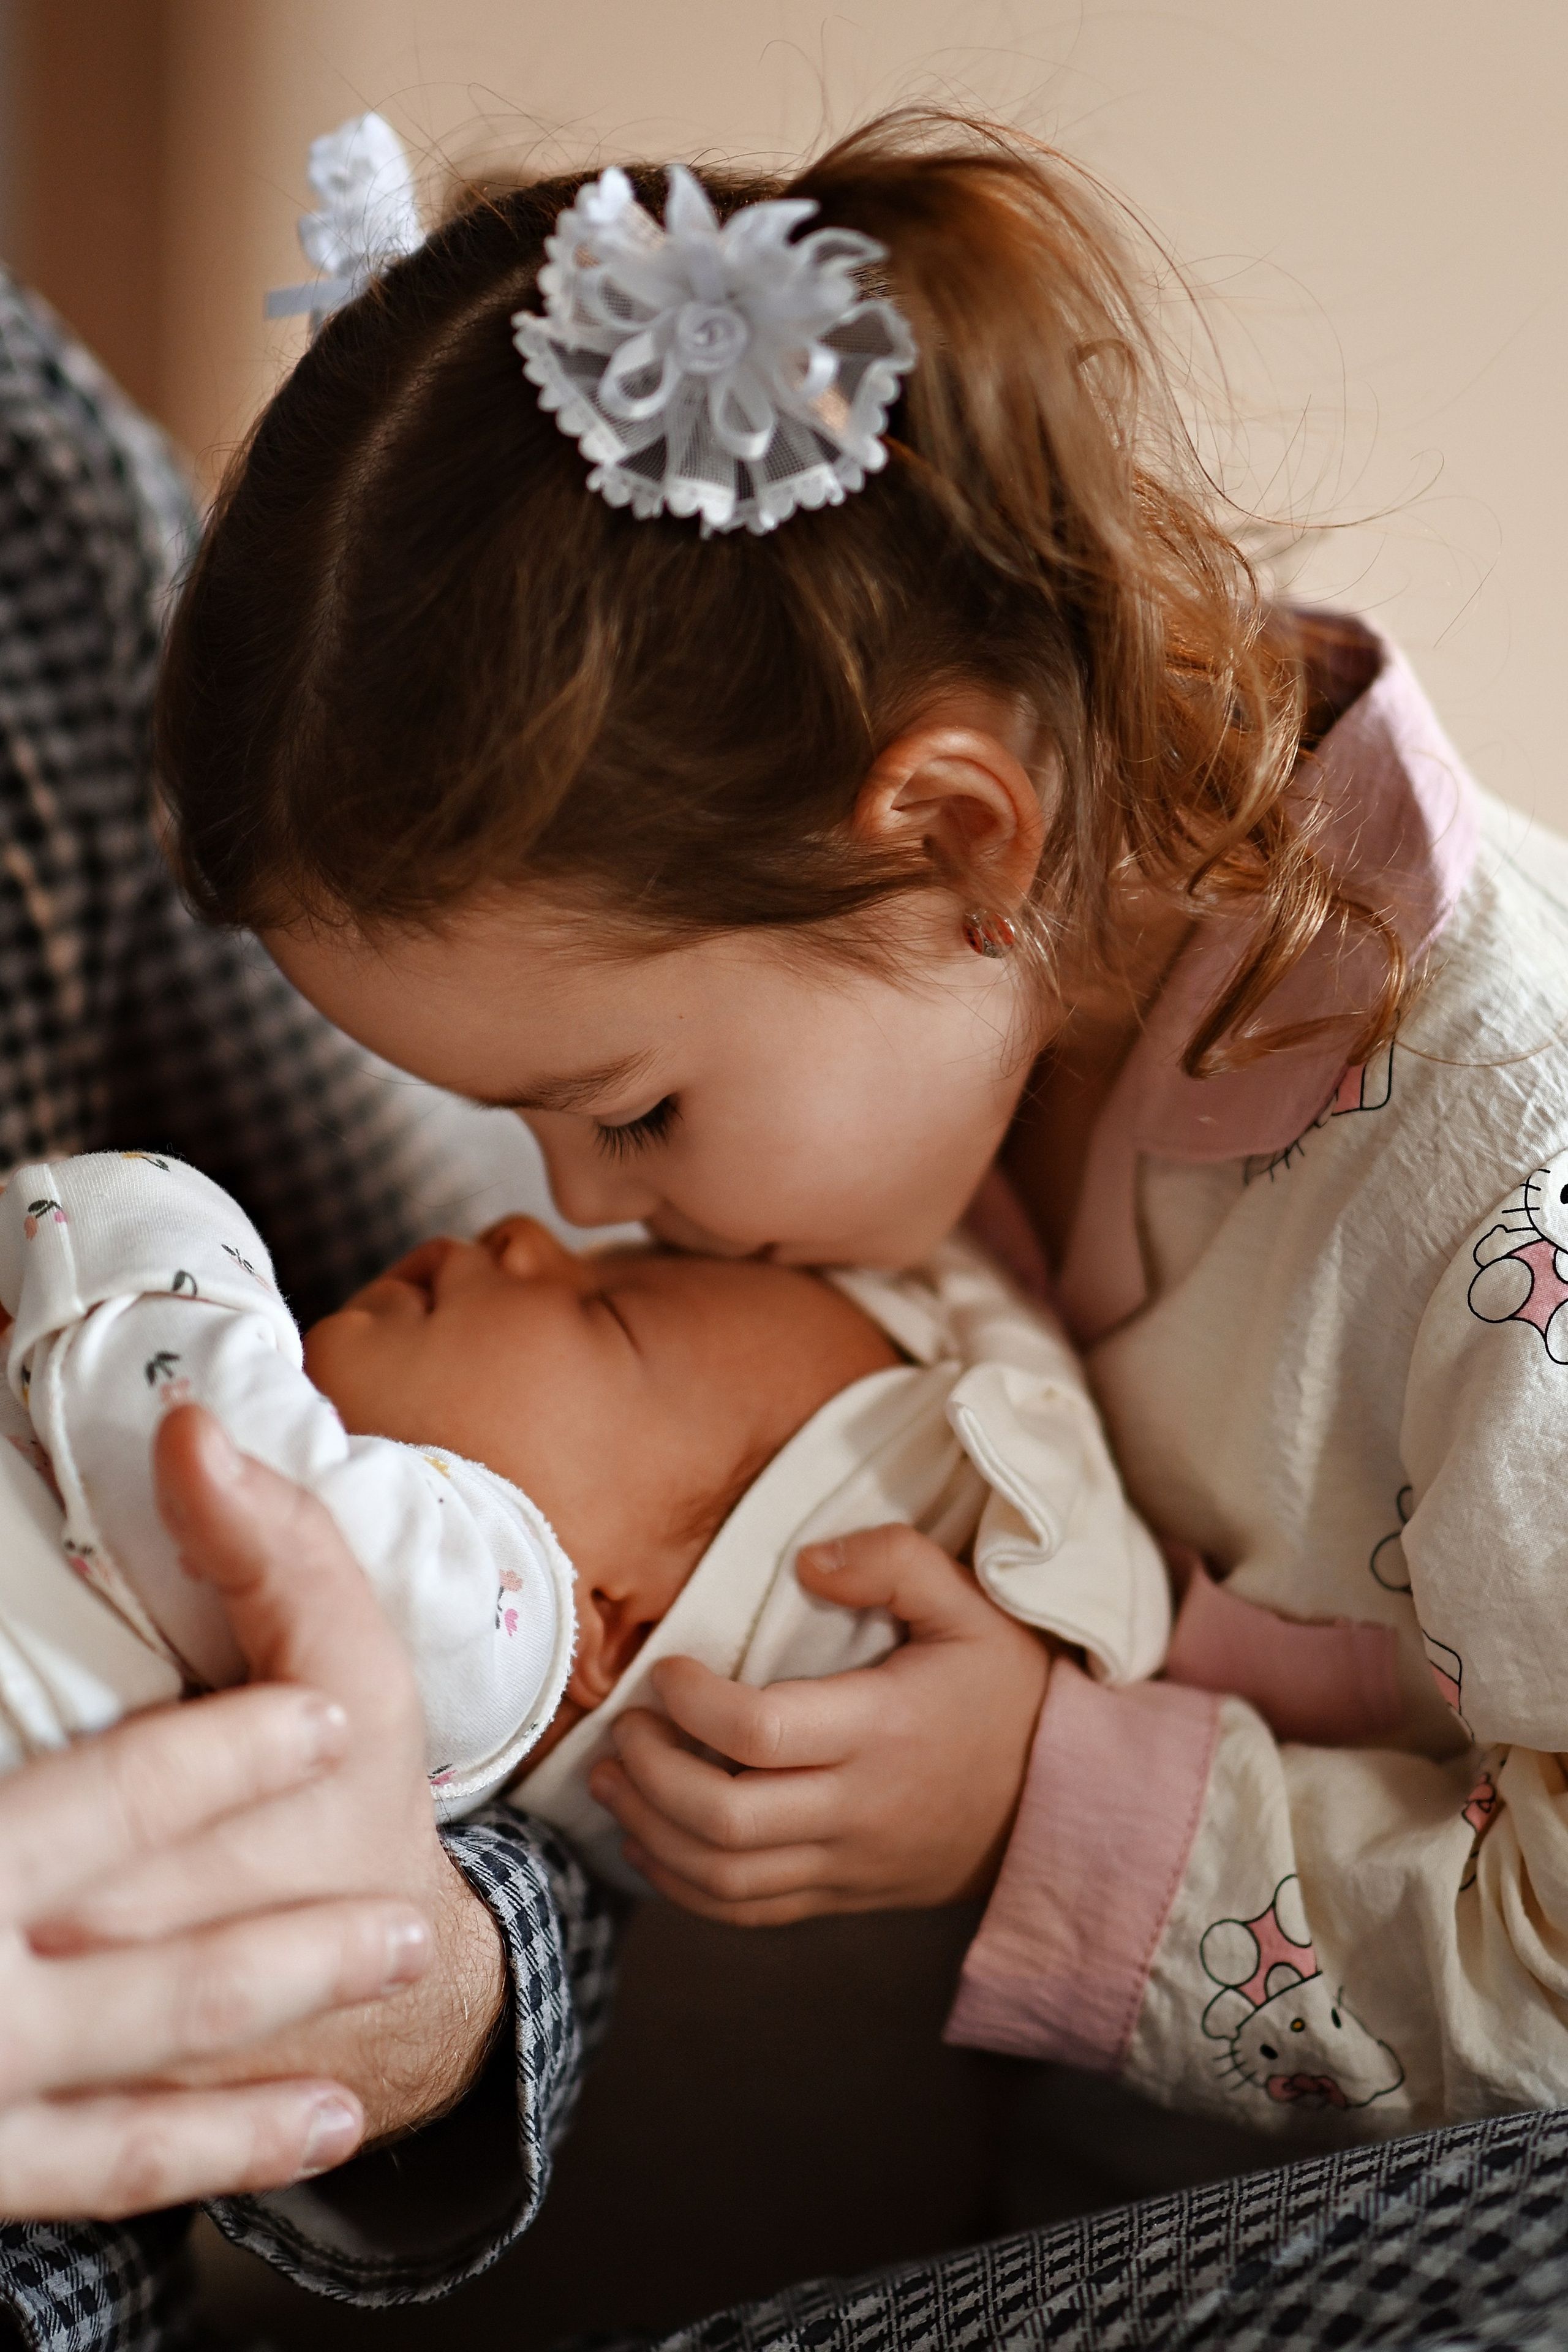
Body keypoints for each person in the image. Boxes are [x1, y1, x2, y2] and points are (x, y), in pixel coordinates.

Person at [153, 105, 1568, 2155]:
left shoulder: (1499, 1178)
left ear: (956, 837)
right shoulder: (962, 1016)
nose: (575, 1204)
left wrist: (1035, 1798)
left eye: (629, 1107)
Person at [0, 269, 617, 2345]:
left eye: (627, 1325)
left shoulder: (27, 486)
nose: (561, 1231)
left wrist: (419, 1961)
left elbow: (318, 1335)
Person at [0, 1150, 1169, 1871]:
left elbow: (214, 1459)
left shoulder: (480, 1647)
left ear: (601, 1628)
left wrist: (142, 1227)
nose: (532, 1240)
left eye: (614, 1314)